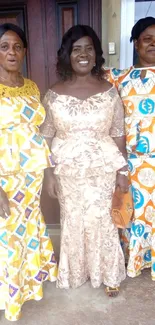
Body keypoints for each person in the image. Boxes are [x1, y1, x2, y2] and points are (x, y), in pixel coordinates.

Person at [40, 25, 128, 296]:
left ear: (96, 54)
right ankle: (76, 273)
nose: (83, 54)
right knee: (74, 220)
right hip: (67, 172)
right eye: (76, 49)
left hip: (102, 168)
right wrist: (49, 174)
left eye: (89, 48)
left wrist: (122, 171)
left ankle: (110, 274)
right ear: (67, 54)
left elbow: (119, 135)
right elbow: (44, 136)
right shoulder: (53, 94)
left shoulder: (110, 92)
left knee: (103, 220)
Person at [0, 23, 57, 321]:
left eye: (17, 46)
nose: (12, 52)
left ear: (24, 51)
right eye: (4, 46)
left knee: (29, 227)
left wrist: (48, 174)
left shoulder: (31, 86)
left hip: (32, 172)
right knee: (8, 235)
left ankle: (31, 285)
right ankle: (11, 296)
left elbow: (38, 131)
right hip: (5, 175)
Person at [107, 16, 155, 280]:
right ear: (136, 44)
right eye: (147, 39)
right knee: (133, 215)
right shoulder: (119, 78)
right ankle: (136, 261)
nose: (153, 44)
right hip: (132, 161)